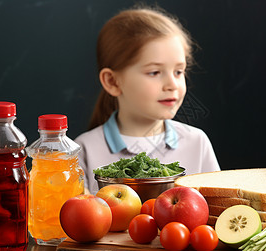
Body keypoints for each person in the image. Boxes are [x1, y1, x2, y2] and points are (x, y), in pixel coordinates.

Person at [75, 6, 220, 194]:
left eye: (178, 71)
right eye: (154, 72)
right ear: (112, 81)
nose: (172, 84)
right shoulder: (83, 150)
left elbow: (217, 211)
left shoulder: (197, 143)